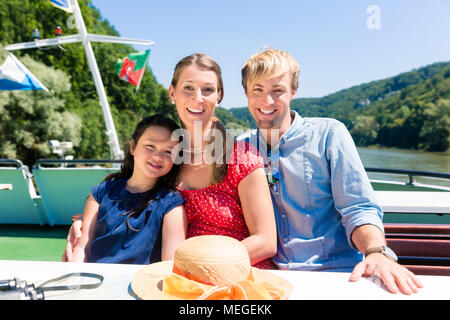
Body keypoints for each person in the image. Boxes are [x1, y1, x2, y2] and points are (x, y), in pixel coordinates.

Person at [65, 53, 277, 269]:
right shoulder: (167, 159)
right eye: (188, 88)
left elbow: (266, 242)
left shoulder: (241, 158)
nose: (198, 97)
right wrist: (85, 225)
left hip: (240, 274)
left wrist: (205, 266)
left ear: (219, 96)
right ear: (172, 93)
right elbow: (129, 197)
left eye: (208, 89)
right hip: (181, 277)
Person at [239, 48, 423, 294]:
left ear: (294, 91)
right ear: (246, 94)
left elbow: (357, 208)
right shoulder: (242, 148)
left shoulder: (329, 134)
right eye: (258, 90)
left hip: (339, 276)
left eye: (278, 91)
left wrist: (375, 252)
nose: (267, 101)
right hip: (272, 280)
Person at [63, 114, 187, 264]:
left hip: (141, 284)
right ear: (133, 147)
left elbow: (170, 265)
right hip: (97, 280)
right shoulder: (102, 193)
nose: (158, 156)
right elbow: (82, 248)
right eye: (150, 146)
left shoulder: (171, 205)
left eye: (169, 151)